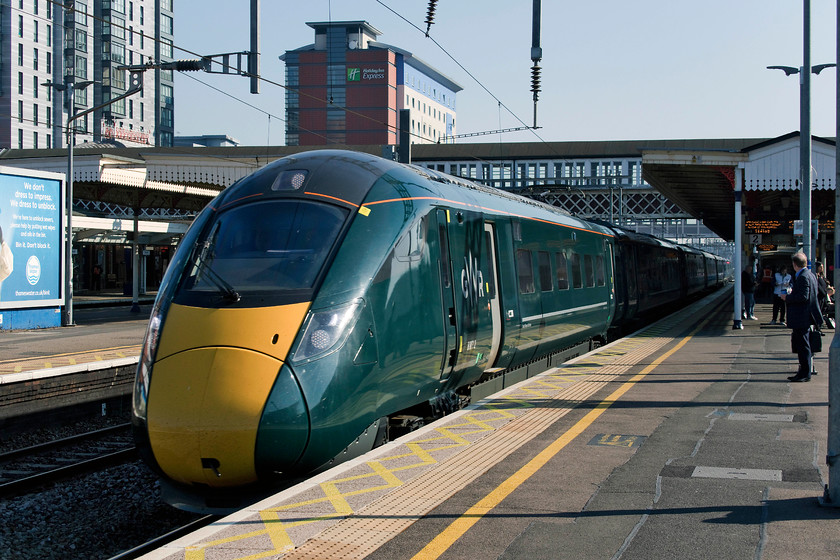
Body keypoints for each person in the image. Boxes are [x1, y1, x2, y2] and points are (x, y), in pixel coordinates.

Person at [781, 252, 823, 382]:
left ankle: (805, 373)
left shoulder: (804, 277)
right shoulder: (810, 275)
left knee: (803, 346)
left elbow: (803, 297)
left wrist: (787, 297)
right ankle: (802, 372)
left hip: (802, 317)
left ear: (794, 264)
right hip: (803, 317)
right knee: (802, 345)